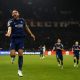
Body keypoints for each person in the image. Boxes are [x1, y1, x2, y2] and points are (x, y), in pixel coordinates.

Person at [5, 9, 35, 77]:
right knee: (12, 54)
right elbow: (9, 29)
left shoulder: (22, 20)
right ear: (12, 15)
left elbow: (26, 27)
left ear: (18, 14)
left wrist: (31, 34)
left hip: (21, 39)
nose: (14, 14)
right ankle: (13, 57)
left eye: (16, 12)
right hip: (13, 39)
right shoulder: (10, 21)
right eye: (13, 13)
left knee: (20, 53)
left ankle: (20, 70)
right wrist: (8, 33)